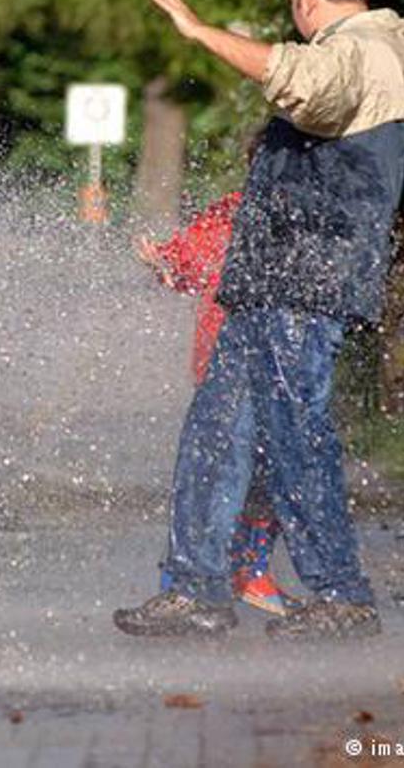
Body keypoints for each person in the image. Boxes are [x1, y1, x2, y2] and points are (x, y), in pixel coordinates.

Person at [114, 0, 404, 640]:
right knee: (216, 430)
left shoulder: (364, 51)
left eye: (292, 4)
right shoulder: (360, 50)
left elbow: (300, 79)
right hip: (267, 285)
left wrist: (200, 33)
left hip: (304, 284)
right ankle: (195, 587)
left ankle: (343, 593)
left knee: (295, 434)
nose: (294, 16)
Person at [136, 145, 293, 617]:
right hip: (223, 367)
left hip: (284, 370)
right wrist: (161, 260)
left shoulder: (304, 219)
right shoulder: (232, 212)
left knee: (273, 476)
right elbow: (186, 264)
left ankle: (250, 566)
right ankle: (188, 576)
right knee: (217, 470)